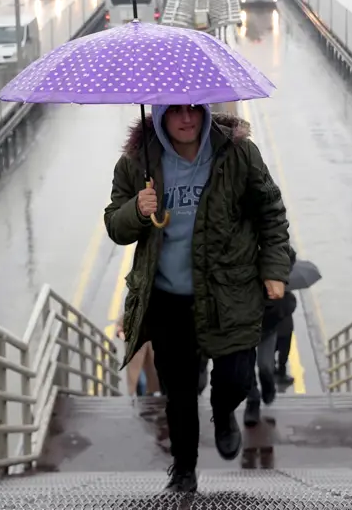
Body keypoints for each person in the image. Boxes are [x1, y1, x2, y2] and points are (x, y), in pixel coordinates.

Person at [104, 104, 291, 494]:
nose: (187, 118)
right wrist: (137, 209)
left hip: (229, 291)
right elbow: (115, 226)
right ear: (158, 115)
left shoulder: (238, 153)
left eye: (194, 109)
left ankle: (224, 413)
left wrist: (274, 268)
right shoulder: (137, 161)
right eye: (175, 111)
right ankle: (184, 469)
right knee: (180, 393)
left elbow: (270, 211)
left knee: (237, 378)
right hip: (169, 297)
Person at [244, 246, 297, 426]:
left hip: (267, 327)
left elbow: (289, 255)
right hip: (243, 326)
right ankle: (253, 401)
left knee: (265, 367)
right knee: (246, 368)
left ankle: (268, 386)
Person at [116, 320, 161, 397]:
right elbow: (120, 325)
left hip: (149, 354)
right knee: (141, 381)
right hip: (136, 352)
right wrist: (123, 335)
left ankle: (147, 399)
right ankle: (143, 400)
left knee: (150, 381)